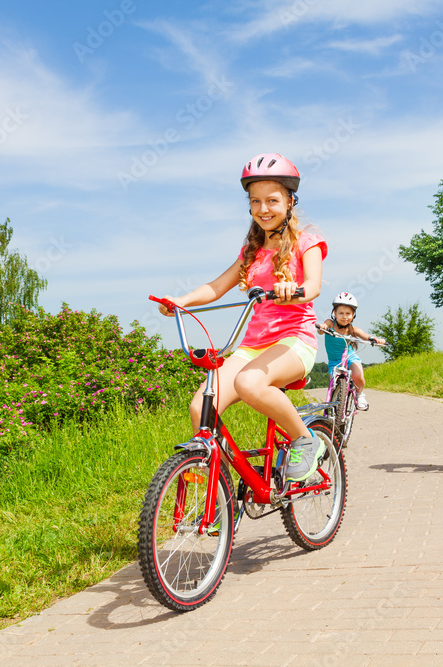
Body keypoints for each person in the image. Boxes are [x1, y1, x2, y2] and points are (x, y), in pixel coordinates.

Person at [158, 153, 327, 481]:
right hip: (252, 347)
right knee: (201, 408)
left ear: (290, 201)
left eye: (272, 200)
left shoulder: (307, 242)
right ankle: (215, 498)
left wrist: (292, 291)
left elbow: (313, 287)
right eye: (255, 201)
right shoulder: (251, 252)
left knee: (248, 383)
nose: (263, 209)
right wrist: (181, 301)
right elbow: (217, 287)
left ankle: (305, 441)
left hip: (294, 341)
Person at [317, 292, 383, 410]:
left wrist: (374, 339)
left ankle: (360, 395)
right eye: (341, 313)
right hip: (335, 361)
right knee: (333, 384)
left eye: (348, 313)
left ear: (353, 315)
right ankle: (332, 405)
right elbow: (322, 329)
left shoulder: (352, 329)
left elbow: (365, 336)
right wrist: (322, 327)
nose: (344, 316)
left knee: (358, 375)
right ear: (334, 313)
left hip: (350, 357)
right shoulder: (330, 323)